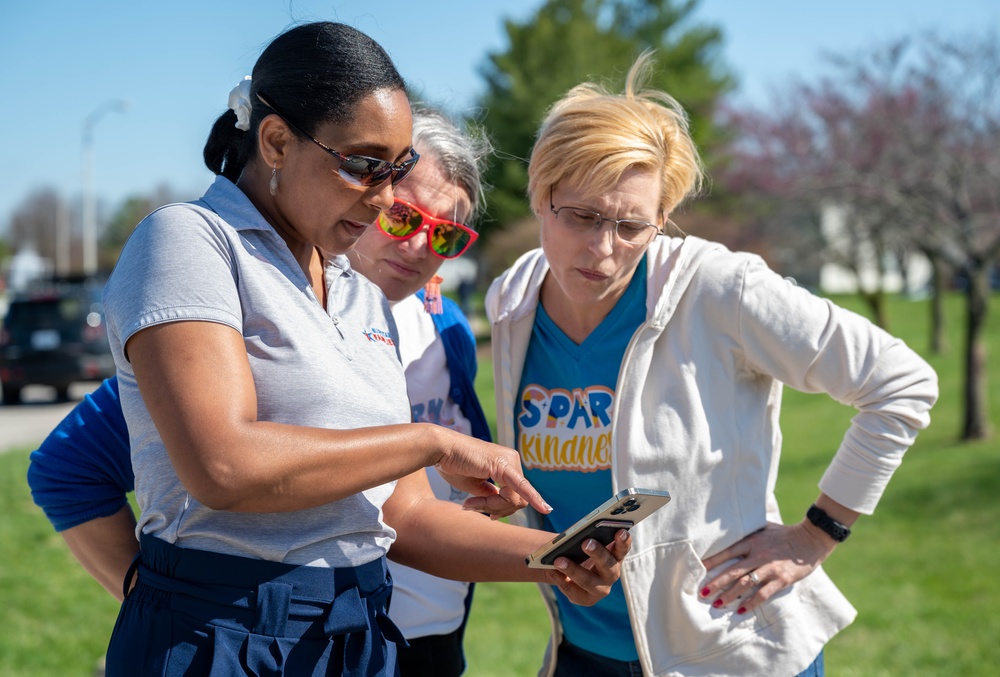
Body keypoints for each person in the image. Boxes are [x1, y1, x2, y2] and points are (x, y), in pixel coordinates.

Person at [77, 21, 626, 676]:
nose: (387, 197)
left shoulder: (358, 291)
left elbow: (404, 514)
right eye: (365, 166)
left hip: (356, 632)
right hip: (226, 634)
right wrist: (431, 441)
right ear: (276, 140)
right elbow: (222, 465)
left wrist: (553, 557)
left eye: (396, 171)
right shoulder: (190, 241)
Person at [486, 52, 939, 677]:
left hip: (731, 651)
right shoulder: (512, 299)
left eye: (631, 226)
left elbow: (901, 382)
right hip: (584, 652)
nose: (603, 249)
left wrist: (817, 533)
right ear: (541, 195)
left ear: (661, 222)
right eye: (582, 216)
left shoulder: (723, 289)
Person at [27, 105, 510, 675]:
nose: (419, 247)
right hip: (276, 642)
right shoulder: (249, 323)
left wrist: (554, 557)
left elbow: (410, 508)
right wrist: (162, 604)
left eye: (447, 233)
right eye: (403, 217)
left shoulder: (445, 329)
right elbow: (68, 469)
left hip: (398, 641)